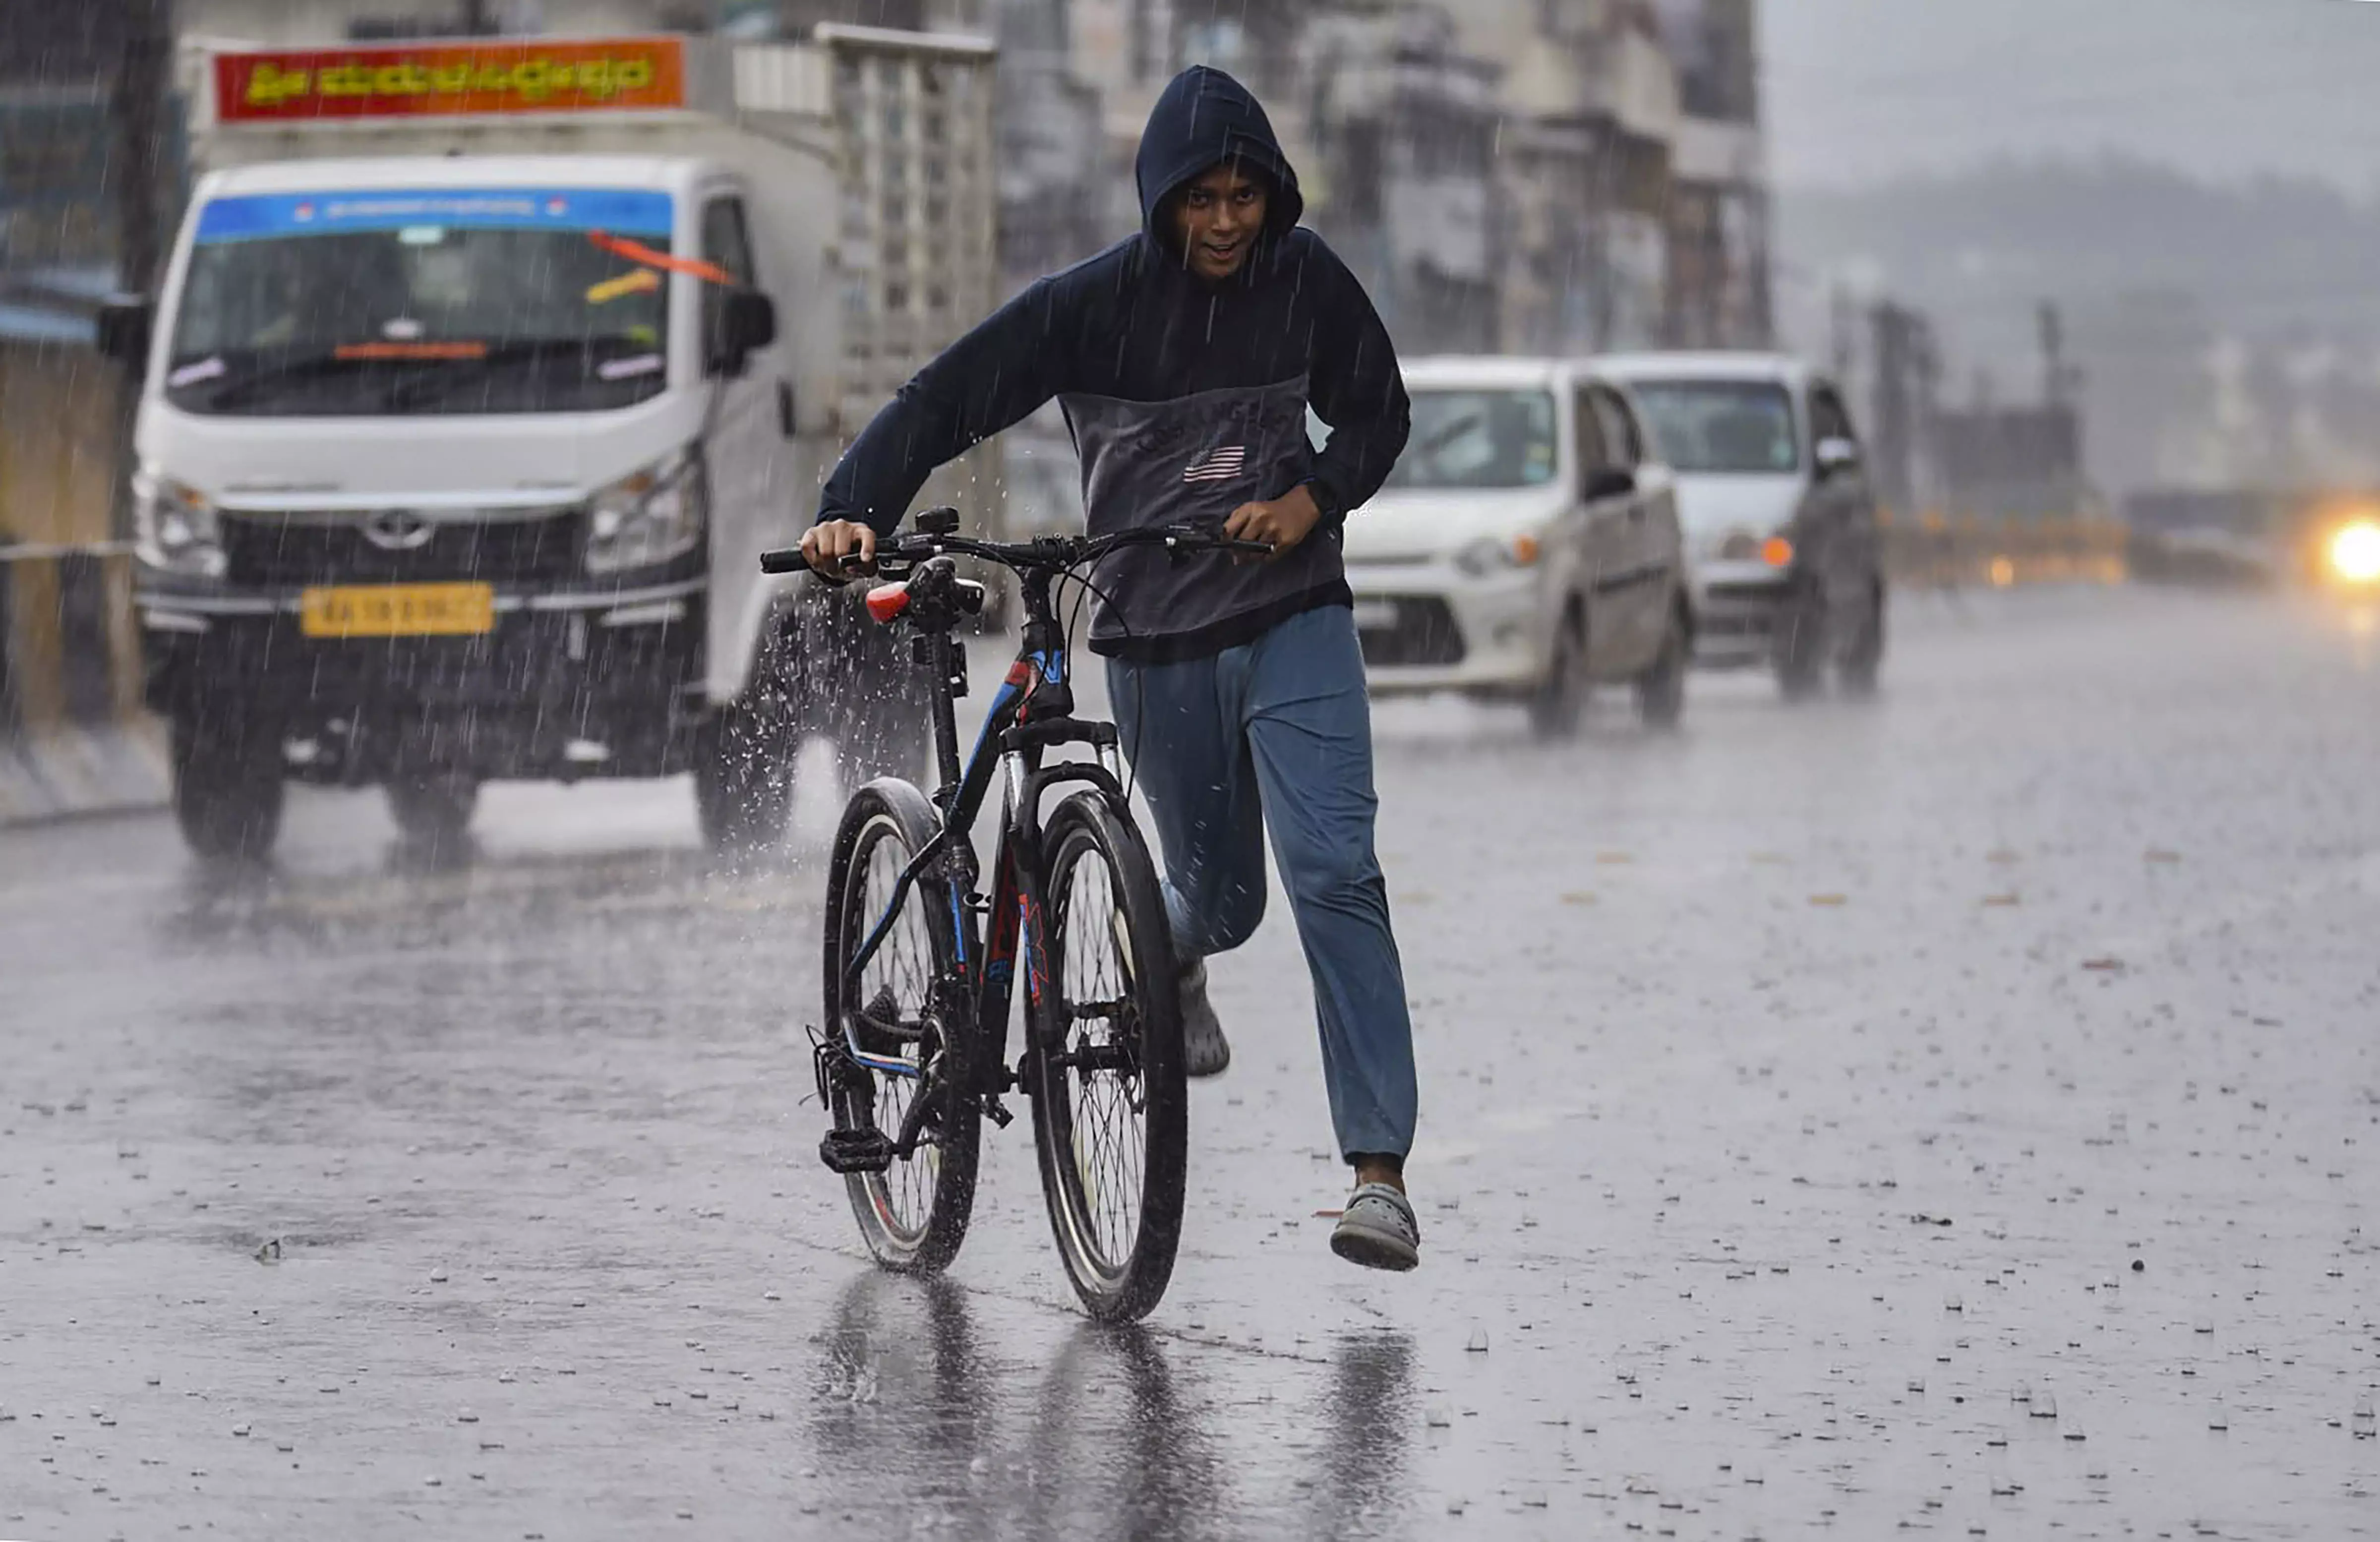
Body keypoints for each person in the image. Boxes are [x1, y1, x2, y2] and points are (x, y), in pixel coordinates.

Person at [802, 65, 1421, 1270]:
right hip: (1153, 640)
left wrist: (1314, 498)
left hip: (1296, 617)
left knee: (1337, 872)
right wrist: (850, 508)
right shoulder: (1092, 307)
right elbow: (944, 401)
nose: (1229, 222)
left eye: (1249, 196)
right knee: (1222, 903)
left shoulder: (1307, 283)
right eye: (1204, 200)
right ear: (1161, 203)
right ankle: (1165, 940)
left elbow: (1381, 412)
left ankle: (1379, 1175)